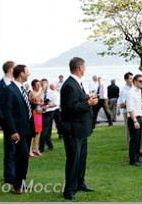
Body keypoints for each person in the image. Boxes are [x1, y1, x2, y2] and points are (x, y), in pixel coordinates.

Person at [59, 57, 98, 201]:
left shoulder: (77, 83)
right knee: (74, 159)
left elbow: (77, 102)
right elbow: (70, 108)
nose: (86, 69)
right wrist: (88, 103)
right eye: (85, 66)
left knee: (81, 159)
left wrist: (87, 99)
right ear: (80, 68)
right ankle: (69, 190)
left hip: (82, 128)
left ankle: (80, 183)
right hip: (73, 129)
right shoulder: (70, 85)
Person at [1, 65, 32, 194]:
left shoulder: (21, 89)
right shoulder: (9, 89)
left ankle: (21, 183)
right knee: (22, 156)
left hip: (26, 130)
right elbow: (7, 112)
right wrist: (12, 131)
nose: (29, 73)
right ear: (21, 73)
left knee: (24, 158)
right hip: (17, 131)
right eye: (27, 71)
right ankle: (17, 185)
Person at [0, 60, 16, 184]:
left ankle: (16, 173)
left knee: (18, 148)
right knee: (10, 148)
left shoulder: (16, 84)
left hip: (17, 120)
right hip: (6, 121)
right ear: (11, 69)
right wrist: (1, 115)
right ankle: (9, 175)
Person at [126, 74, 142, 167]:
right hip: (134, 118)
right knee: (134, 140)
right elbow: (130, 108)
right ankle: (132, 160)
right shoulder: (130, 92)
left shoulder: (139, 91)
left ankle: (137, 157)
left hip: (139, 116)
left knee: (138, 139)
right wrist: (134, 121)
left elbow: (137, 105)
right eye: (140, 81)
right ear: (134, 82)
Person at [29, 79, 44, 157]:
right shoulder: (32, 93)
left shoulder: (38, 93)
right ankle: (30, 150)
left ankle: (36, 149)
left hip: (39, 114)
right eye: (37, 85)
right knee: (33, 133)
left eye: (39, 84)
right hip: (33, 114)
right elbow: (36, 99)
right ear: (33, 86)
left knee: (38, 132)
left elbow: (40, 102)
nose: (39, 86)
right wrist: (42, 91)